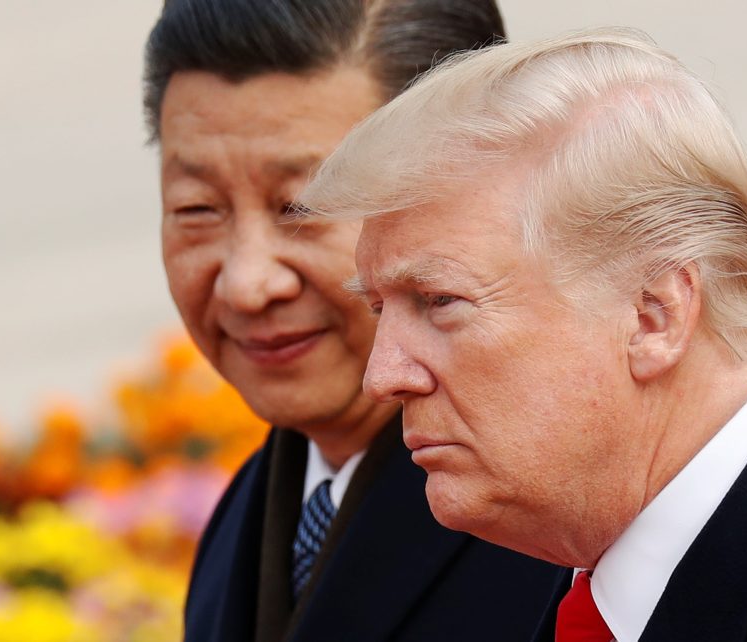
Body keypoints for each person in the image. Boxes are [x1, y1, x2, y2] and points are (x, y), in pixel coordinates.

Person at [299, 27, 747, 641]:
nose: (382, 375)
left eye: (439, 301)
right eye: (381, 310)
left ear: (653, 316)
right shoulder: (587, 541)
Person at [142, 2, 564, 641]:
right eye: (198, 208)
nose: (248, 283)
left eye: (303, 205)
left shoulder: (564, 529)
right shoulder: (245, 519)